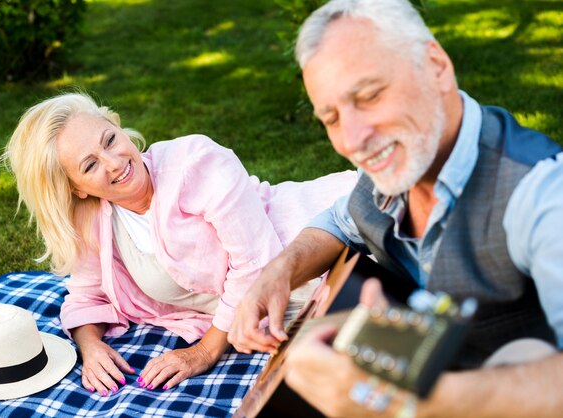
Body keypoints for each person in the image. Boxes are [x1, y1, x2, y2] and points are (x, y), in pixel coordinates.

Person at [228, 0, 563, 416]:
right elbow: (337, 223)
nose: (351, 140)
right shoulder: (397, 170)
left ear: (436, 65)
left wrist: (398, 403)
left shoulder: (543, 194)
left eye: (368, 96)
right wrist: (278, 273)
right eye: (330, 118)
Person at [0, 92, 356, 397]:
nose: (114, 163)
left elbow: (256, 264)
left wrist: (203, 352)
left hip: (336, 244)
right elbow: (84, 296)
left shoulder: (194, 163)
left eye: (109, 140)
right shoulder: (97, 221)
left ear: (118, 126)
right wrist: (91, 347)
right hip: (292, 315)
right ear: (77, 188)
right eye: (90, 165)